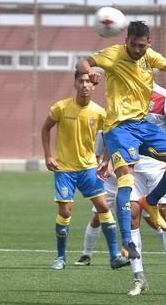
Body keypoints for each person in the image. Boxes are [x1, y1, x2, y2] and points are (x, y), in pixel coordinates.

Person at [75, 20, 166, 261]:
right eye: (133, 45)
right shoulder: (114, 54)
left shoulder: (150, 56)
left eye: (141, 46)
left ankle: (151, 202)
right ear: (126, 41)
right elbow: (83, 62)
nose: (137, 50)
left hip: (142, 126)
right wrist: (89, 72)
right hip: (117, 128)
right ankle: (127, 243)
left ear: (149, 43)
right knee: (126, 181)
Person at [76, 84, 166, 297]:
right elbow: (110, 129)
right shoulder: (120, 93)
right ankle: (138, 277)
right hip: (132, 166)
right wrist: (106, 159)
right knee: (133, 218)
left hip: (160, 167)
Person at [41, 70, 129, 271]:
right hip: (64, 169)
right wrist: (48, 155)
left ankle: (115, 256)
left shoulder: (99, 112)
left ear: (94, 86)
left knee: (103, 208)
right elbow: (45, 128)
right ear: (75, 84)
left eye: (88, 82)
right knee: (65, 212)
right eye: (81, 81)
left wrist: (106, 160)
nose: (84, 85)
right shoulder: (61, 107)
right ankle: (61, 258)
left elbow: (110, 135)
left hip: (89, 168)